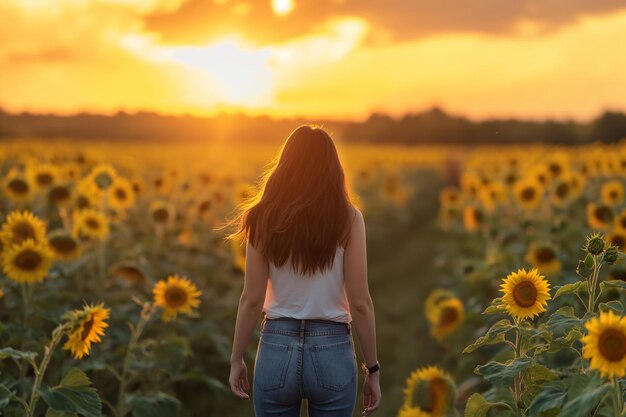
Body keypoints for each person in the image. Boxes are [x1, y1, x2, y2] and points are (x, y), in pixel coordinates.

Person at [225, 125, 381, 417]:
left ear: (285, 166)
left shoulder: (262, 217)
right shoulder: (349, 218)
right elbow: (360, 303)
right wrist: (372, 369)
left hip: (276, 346)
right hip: (332, 348)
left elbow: (252, 299)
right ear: (332, 168)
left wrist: (236, 359)